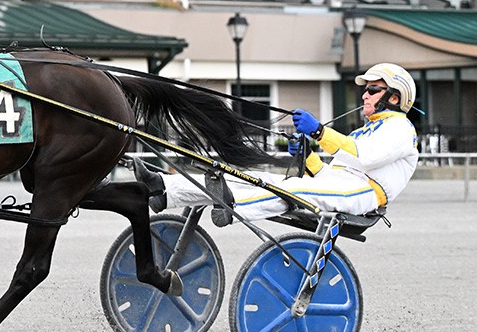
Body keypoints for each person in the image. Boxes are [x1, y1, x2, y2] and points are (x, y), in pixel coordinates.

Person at [134, 62, 419, 223]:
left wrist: (320, 132)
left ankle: (234, 207)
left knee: (290, 189)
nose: (365, 95)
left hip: (363, 195)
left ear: (394, 97)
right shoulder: (365, 131)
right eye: (366, 90)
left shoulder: (401, 129)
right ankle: (165, 189)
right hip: (340, 186)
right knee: (252, 178)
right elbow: (328, 175)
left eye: (372, 89)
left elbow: (367, 157)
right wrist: (308, 156)